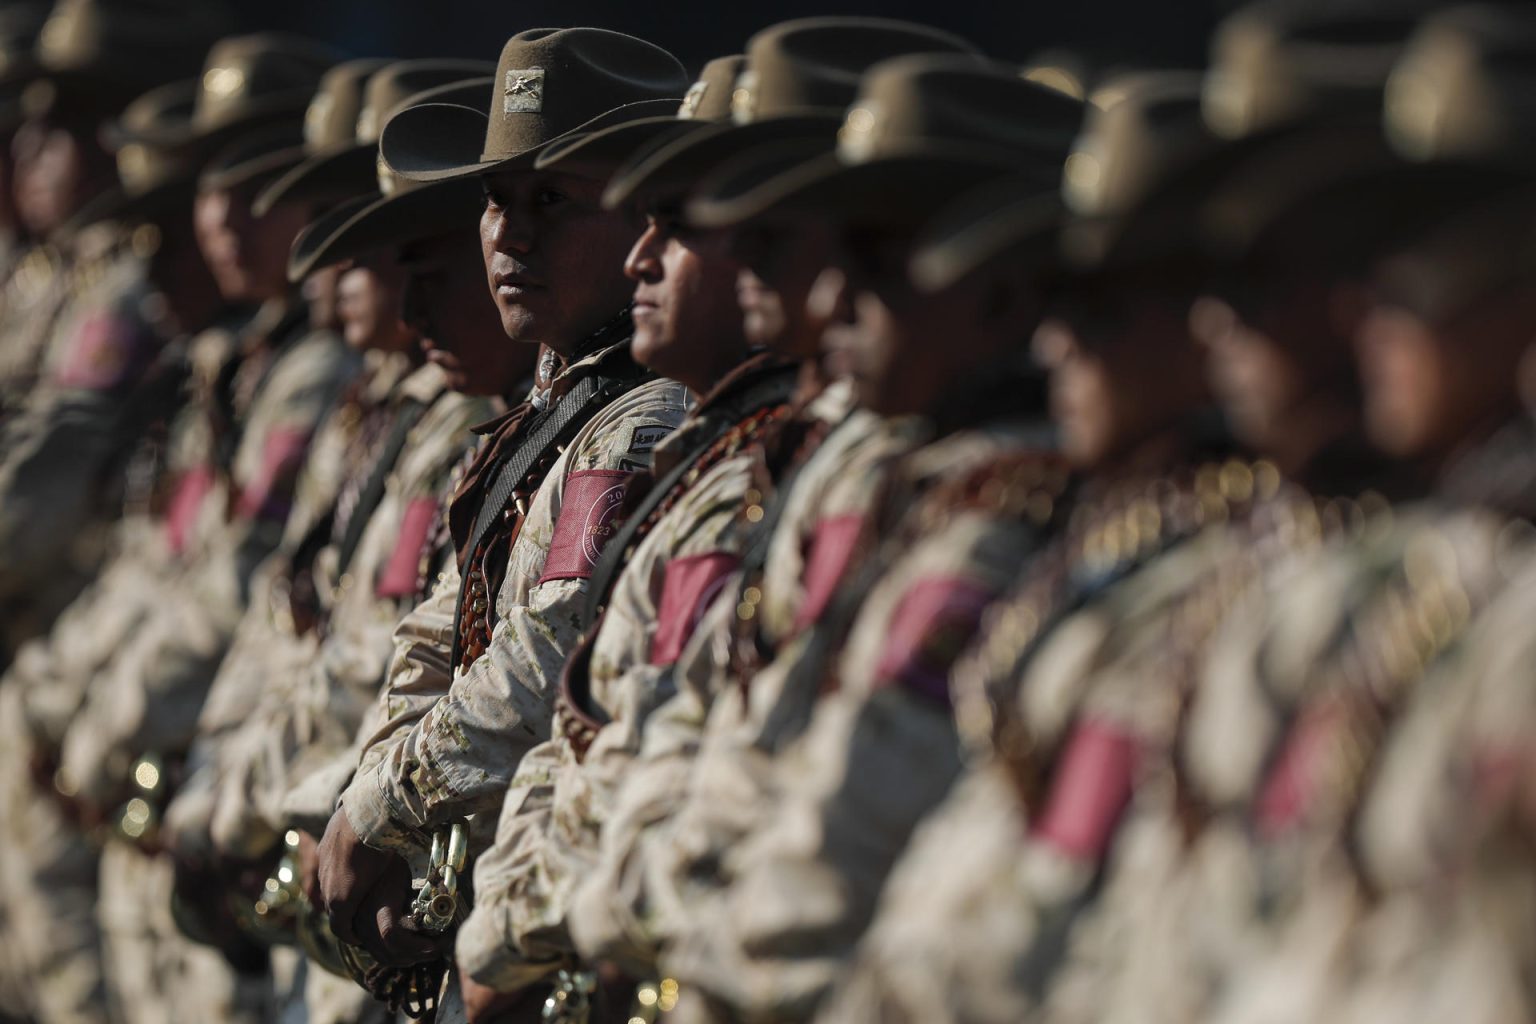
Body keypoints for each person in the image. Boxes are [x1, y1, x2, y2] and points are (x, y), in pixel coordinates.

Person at [313, 27, 696, 1003]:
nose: (513, 235)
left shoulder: (641, 419)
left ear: (645, 220)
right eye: (496, 202)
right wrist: (372, 807)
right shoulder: (547, 415)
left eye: (553, 202)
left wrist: (383, 804)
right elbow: (436, 633)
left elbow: (544, 653)